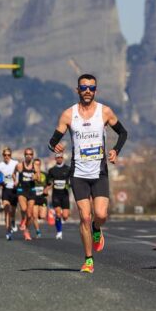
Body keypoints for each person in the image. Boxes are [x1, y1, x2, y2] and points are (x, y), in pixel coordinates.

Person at [48, 74, 128, 273]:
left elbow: (123, 133)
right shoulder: (68, 115)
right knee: (84, 216)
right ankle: (88, 259)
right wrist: (54, 147)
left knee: (100, 215)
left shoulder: (105, 112)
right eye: (84, 87)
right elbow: (52, 141)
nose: (87, 91)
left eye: (91, 88)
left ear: (95, 91)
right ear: (77, 90)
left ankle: (97, 228)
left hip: (99, 172)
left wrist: (115, 150)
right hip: (79, 173)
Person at [0, 147, 22, 241]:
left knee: (12, 212)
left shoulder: (15, 163)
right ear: (3, 155)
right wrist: (0, 183)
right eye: (5, 155)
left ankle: (13, 222)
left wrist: (17, 182)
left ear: (11, 155)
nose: (7, 157)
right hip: (6, 190)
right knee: (7, 210)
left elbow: (19, 174)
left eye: (9, 155)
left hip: (14, 190)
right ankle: (8, 231)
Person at [46, 151, 71, 240]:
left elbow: (71, 180)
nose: (59, 159)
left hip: (65, 195)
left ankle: (61, 219)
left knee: (65, 216)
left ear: (62, 158)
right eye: (58, 157)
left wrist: (69, 185)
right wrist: (47, 188)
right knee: (58, 214)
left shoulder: (68, 169)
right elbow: (49, 182)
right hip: (56, 195)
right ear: (55, 158)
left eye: (61, 157)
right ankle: (59, 232)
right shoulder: (52, 170)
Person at [16, 147, 38, 240]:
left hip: (31, 190)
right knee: (24, 209)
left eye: (31, 154)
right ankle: (23, 220)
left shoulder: (35, 165)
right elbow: (14, 173)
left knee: (29, 215)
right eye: (27, 154)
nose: (29, 156)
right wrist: (15, 180)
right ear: (24, 155)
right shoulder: (20, 165)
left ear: (33, 156)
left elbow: (38, 176)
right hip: (22, 190)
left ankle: (27, 230)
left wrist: (35, 177)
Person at [33, 158, 48, 229]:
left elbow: (50, 183)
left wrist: (46, 189)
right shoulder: (31, 174)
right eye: (35, 164)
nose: (37, 166)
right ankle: (38, 231)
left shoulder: (44, 174)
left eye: (38, 164)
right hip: (33, 197)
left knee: (42, 216)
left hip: (42, 197)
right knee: (34, 216)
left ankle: (39, 213)